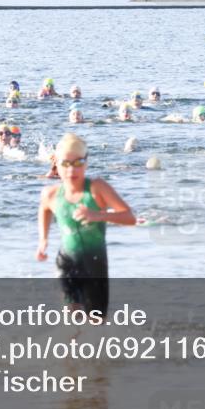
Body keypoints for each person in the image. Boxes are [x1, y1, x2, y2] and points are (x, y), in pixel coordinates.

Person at [36, 133, 136, 314]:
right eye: (66, 164)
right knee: (72, 315)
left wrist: (98, 215)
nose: (72, 170)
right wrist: (43, 241)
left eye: (78, 163)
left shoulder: (98, 188)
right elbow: (44, 209)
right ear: (56, 165)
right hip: (66, 260)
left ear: (86, 163)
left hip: (95, 262)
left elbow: (130, 217)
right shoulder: (50, 194)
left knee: (96, 321)